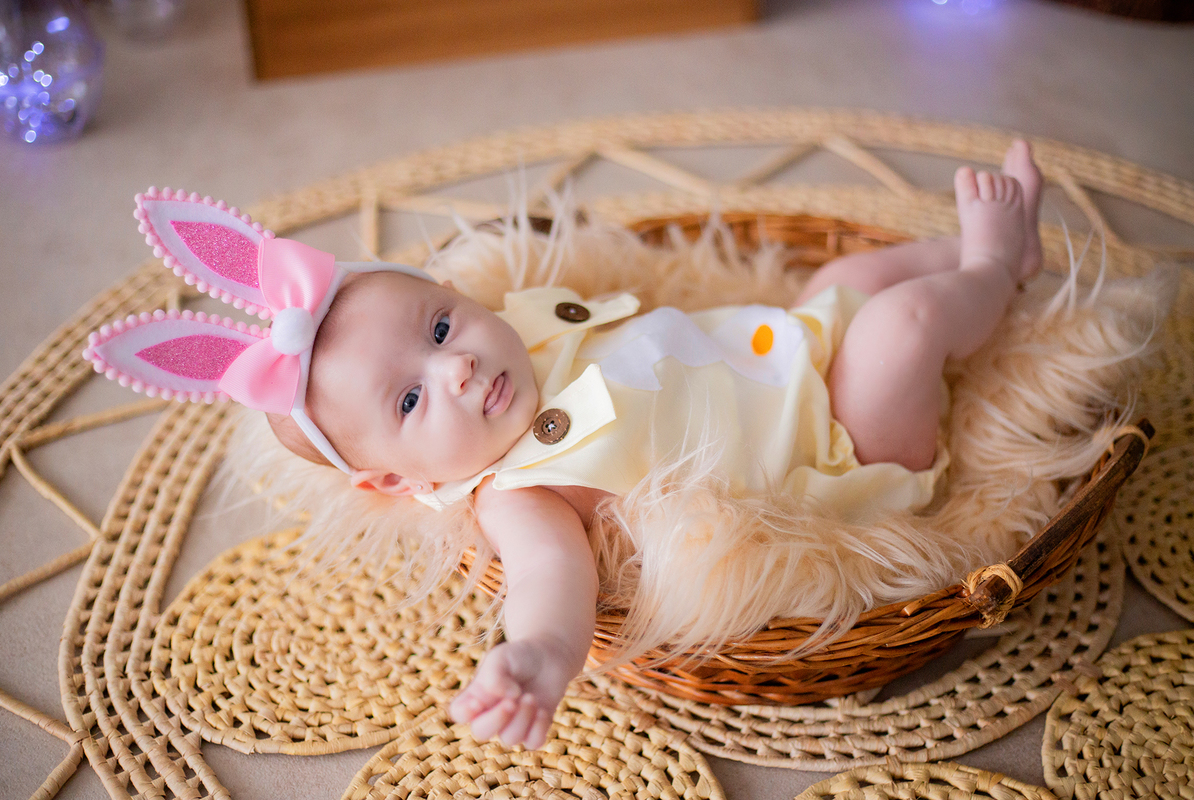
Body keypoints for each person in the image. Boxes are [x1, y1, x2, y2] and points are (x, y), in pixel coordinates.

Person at [85, 141, 1043, 751]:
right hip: (841, 450)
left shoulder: (526, 337)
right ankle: (996, 271)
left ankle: (976, 269)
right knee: (905, 324)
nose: (457, 367)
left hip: (792, 344)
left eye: (442, 326)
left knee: (850, 271)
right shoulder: (518, 494)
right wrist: (538, 658)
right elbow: (554, 586)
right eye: (414, 398)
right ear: (395, 478)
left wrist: (807, 322)